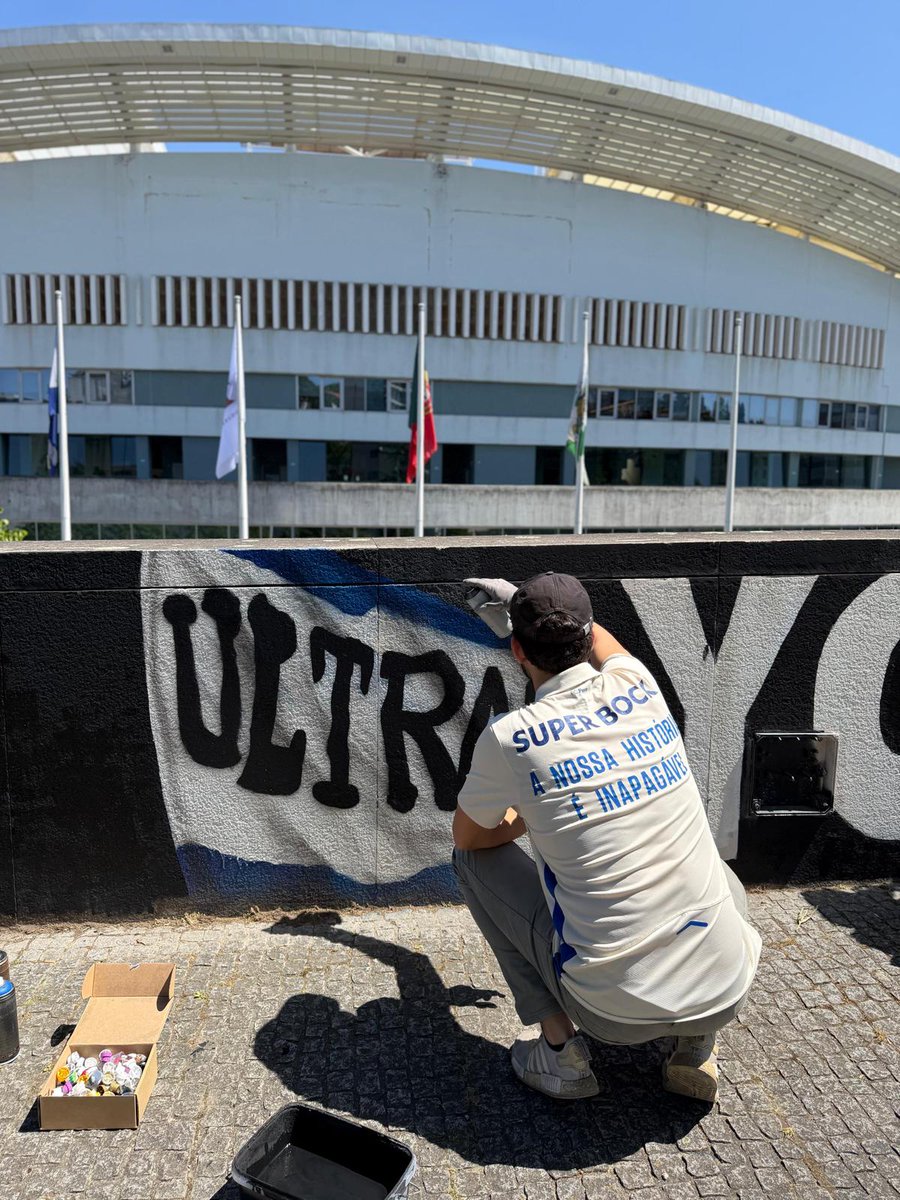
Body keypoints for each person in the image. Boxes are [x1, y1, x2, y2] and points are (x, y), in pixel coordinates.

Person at [453, 571, 761, 1103]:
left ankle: (561, 1054)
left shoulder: (510, 738)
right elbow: (603, 641)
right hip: (727, 987)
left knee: (470, 866)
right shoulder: (638, 683)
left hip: (610, 1014)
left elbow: (471, 838)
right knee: (715, 871)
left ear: (517, 649)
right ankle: (695, 1044)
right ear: (587, 632)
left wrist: (539, 806)